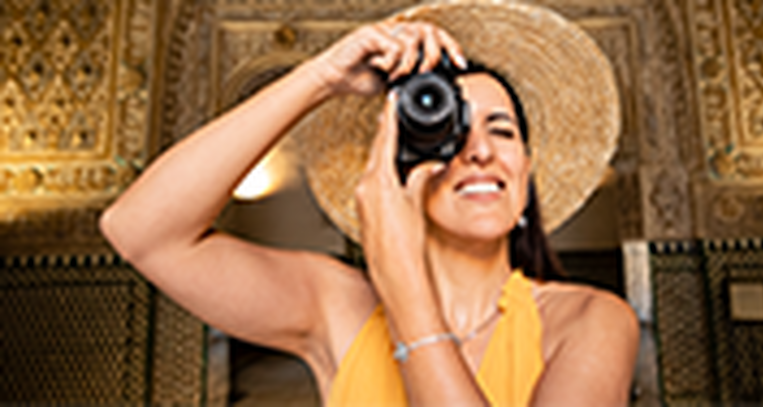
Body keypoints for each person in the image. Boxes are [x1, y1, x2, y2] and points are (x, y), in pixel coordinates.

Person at [100, 1, 639, 406]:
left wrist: (403, 281)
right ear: (402, 164)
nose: (479, 152)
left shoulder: (592, 321)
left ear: (525, 172)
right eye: (449, 132)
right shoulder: (334, 306)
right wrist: (319, 78)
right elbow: (140, 231)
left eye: (503, 131)